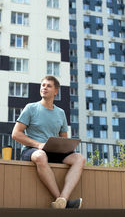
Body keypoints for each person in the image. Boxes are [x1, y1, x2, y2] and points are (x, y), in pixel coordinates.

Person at [12, 76, 85, 209]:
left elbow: (64, 138)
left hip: (53, 151)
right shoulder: (31, 108)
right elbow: (16, 134)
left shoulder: (61, 113)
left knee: (79, 158)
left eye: (48, 86)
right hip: (32, 150)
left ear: (56, 91)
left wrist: (65, 146)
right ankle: (61, 201)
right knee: (40, 155)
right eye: (43, 85)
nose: (44, 87)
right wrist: (38, 144)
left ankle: (63, 199)